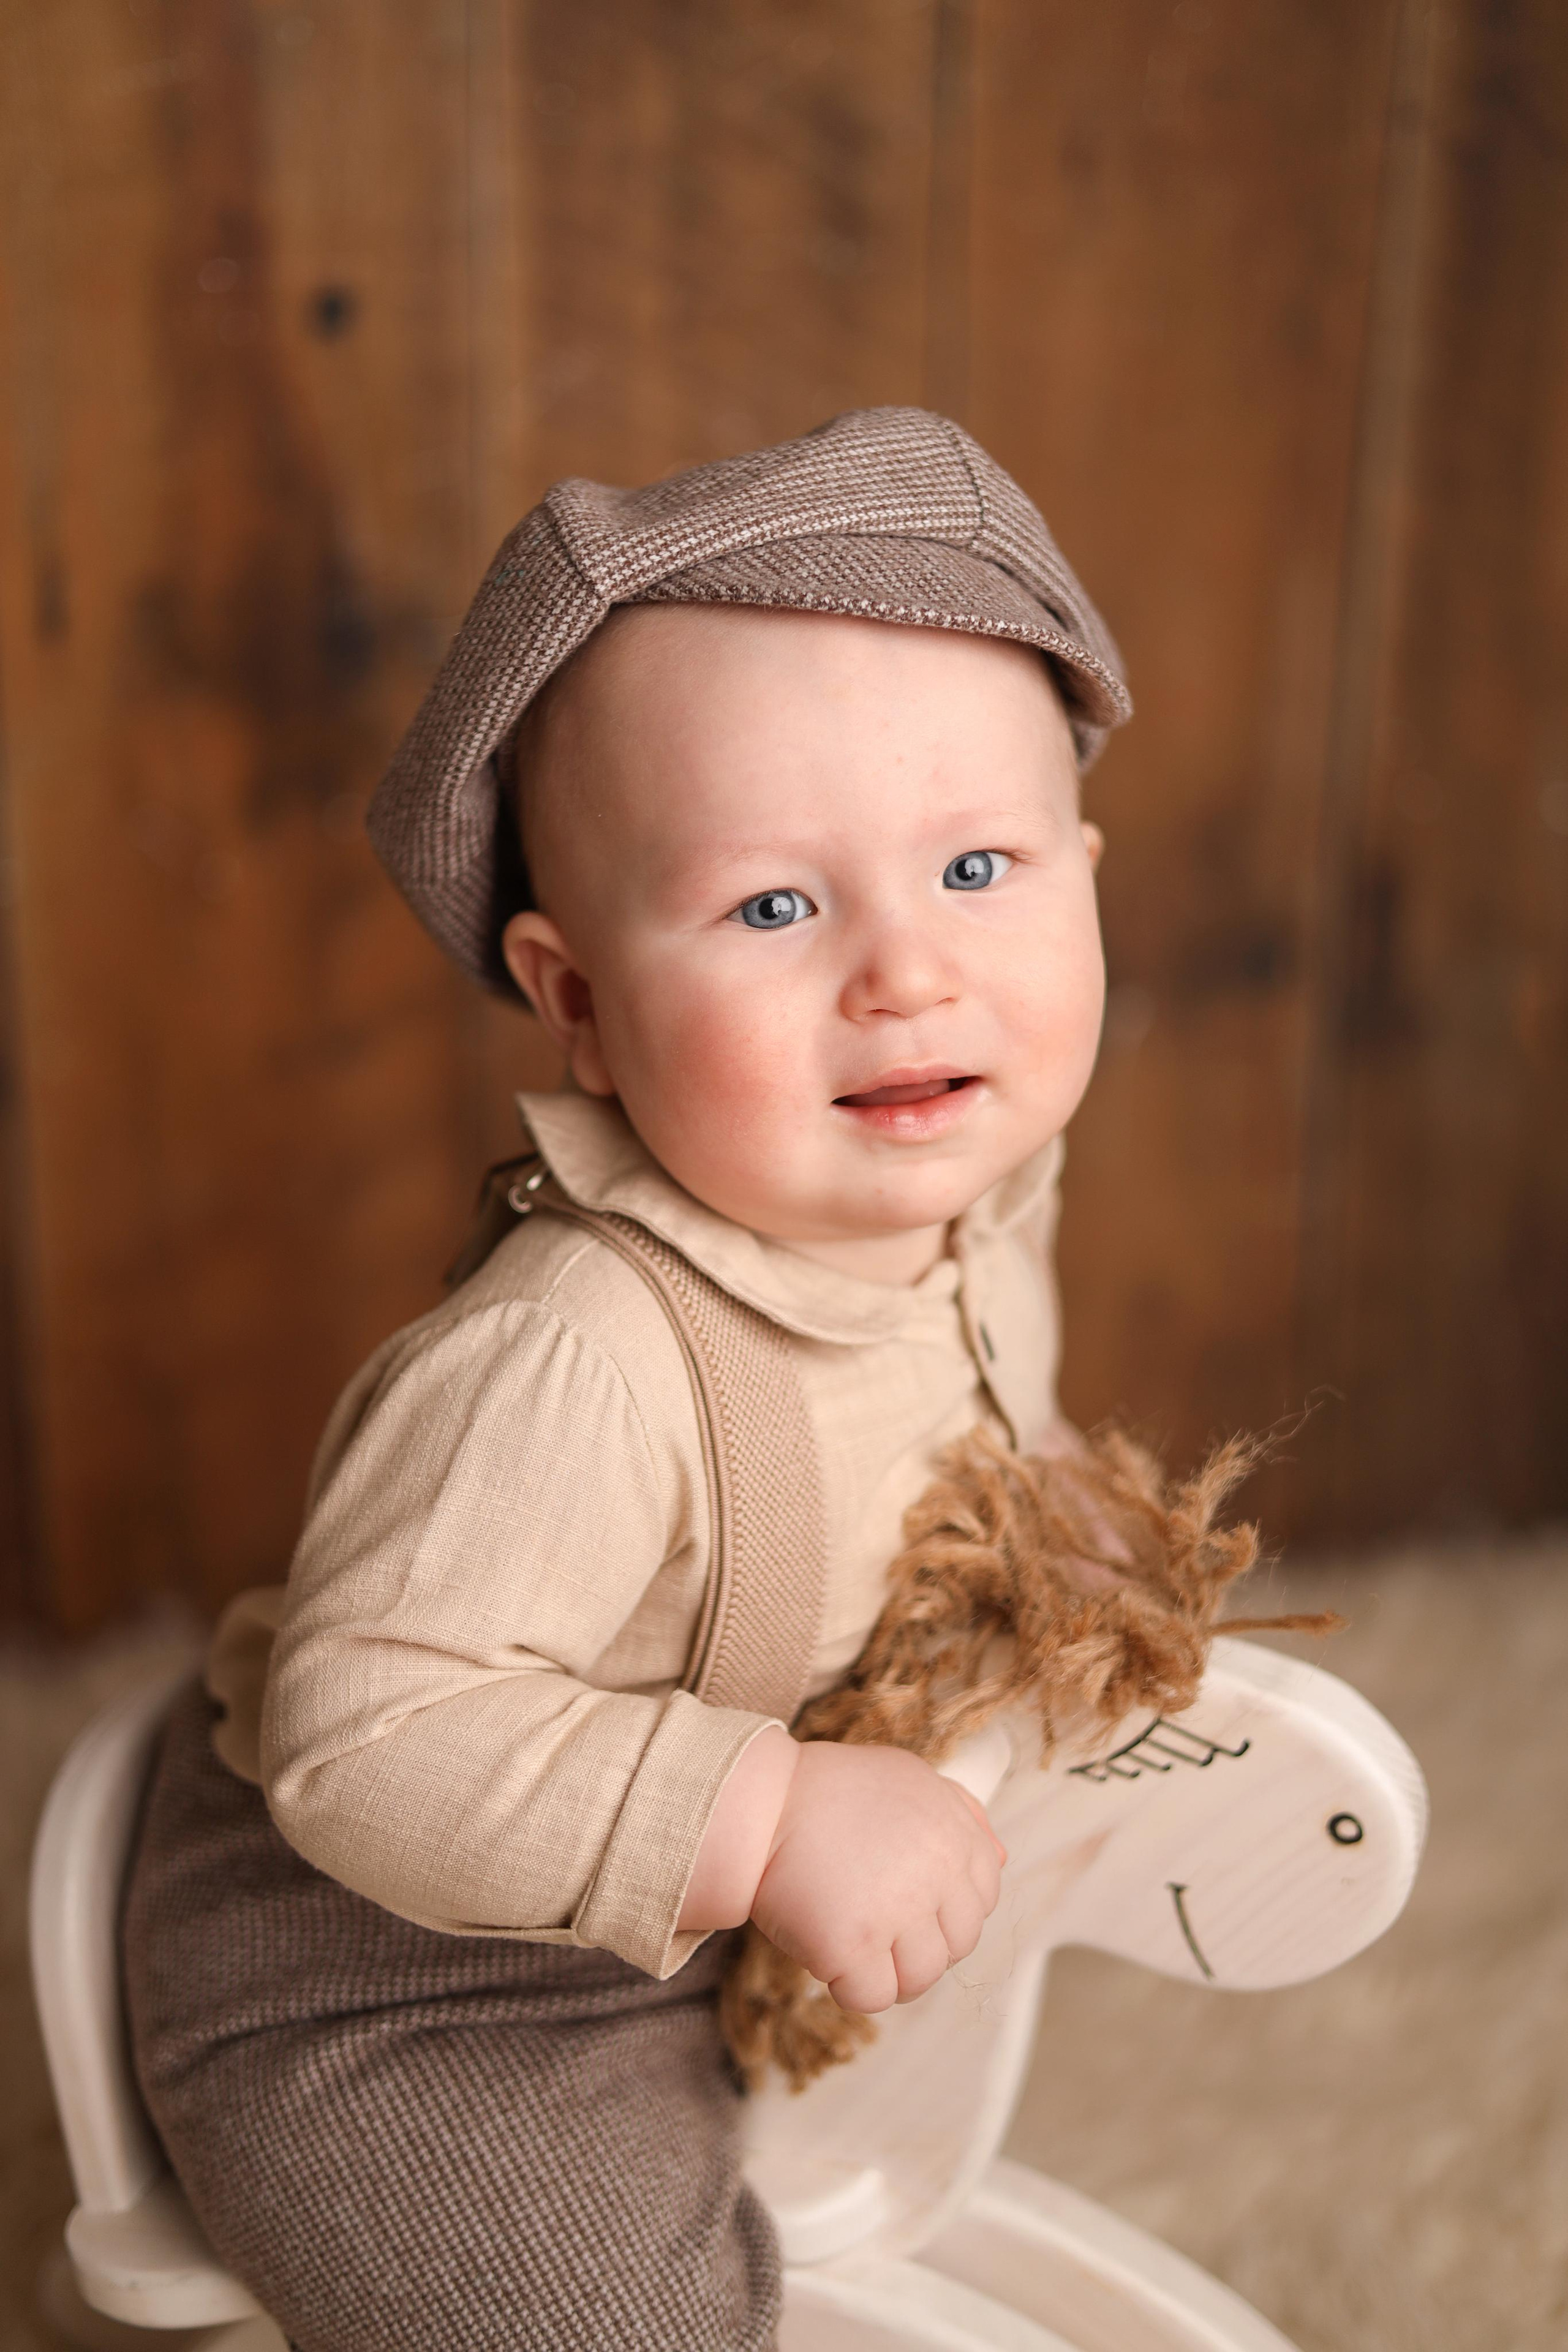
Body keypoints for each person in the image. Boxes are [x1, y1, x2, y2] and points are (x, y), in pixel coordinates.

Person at [121, 405, 1131, 2352]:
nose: (905, 975)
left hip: (712, 1897)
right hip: (412, 1957)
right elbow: (370, 1729)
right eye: (775, 907)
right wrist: (766, 1819)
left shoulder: (970, 1189)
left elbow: (964, 1408)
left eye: (983, 865)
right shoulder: (572, 1355)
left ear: (1088, 874)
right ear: (578, 1002)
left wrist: (1061, 1511)